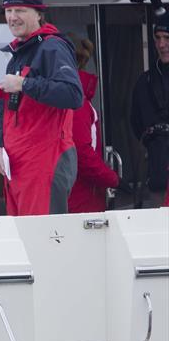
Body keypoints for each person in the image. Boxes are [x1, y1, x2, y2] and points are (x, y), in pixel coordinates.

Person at [0, 0, 83, 215]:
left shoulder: (53, 47)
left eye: (20, 10)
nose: (12, 17)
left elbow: (73, 95)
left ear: (39, 14)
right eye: (8, 11)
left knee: (46, 242)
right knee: (24, 241)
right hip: (18, 167)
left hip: (45, 163)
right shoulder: (18, 54)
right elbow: (4, 110)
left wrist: (24, 84)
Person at [68, 38, 120, 213]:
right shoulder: (77, 103)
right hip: (81, 199)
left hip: (76, 195)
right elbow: (82, 155)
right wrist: (112, 178)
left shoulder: (73, 99)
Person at [130, 11, 169, 207]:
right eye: (158, 38)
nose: (161, 44)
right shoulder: (144, 81)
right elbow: (136, 123)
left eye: (167, 38)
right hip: (157, 172)